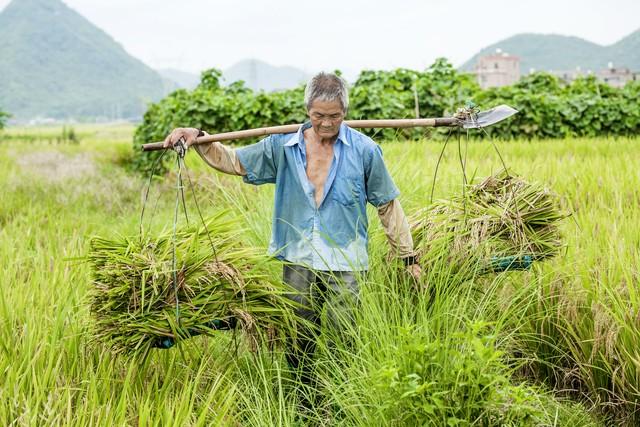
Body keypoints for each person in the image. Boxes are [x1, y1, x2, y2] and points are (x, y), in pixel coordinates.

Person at [163, 72, 421, 388]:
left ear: (345, 113)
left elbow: (388, 205)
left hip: (347, 263)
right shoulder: (283, 147)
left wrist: (408, 258)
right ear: (308, 111)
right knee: (299, 336)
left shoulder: (365, 151)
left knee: (345, 335)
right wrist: (199, 136)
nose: (326, 124)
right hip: (298, 258)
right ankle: (301, 398)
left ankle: (343, 400)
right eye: (318, 116)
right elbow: (234, 162)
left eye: (334, 117)